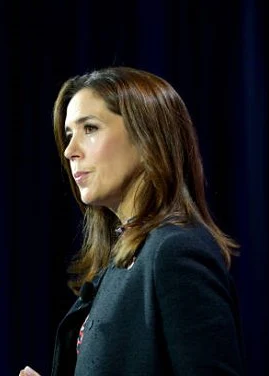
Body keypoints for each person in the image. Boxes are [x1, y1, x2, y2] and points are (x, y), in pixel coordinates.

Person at [19, 66, 245, 375]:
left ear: (147, 137)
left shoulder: (175, 252)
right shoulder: (121, 262)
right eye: (69, 135)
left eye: (90, 128)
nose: (70, 151)